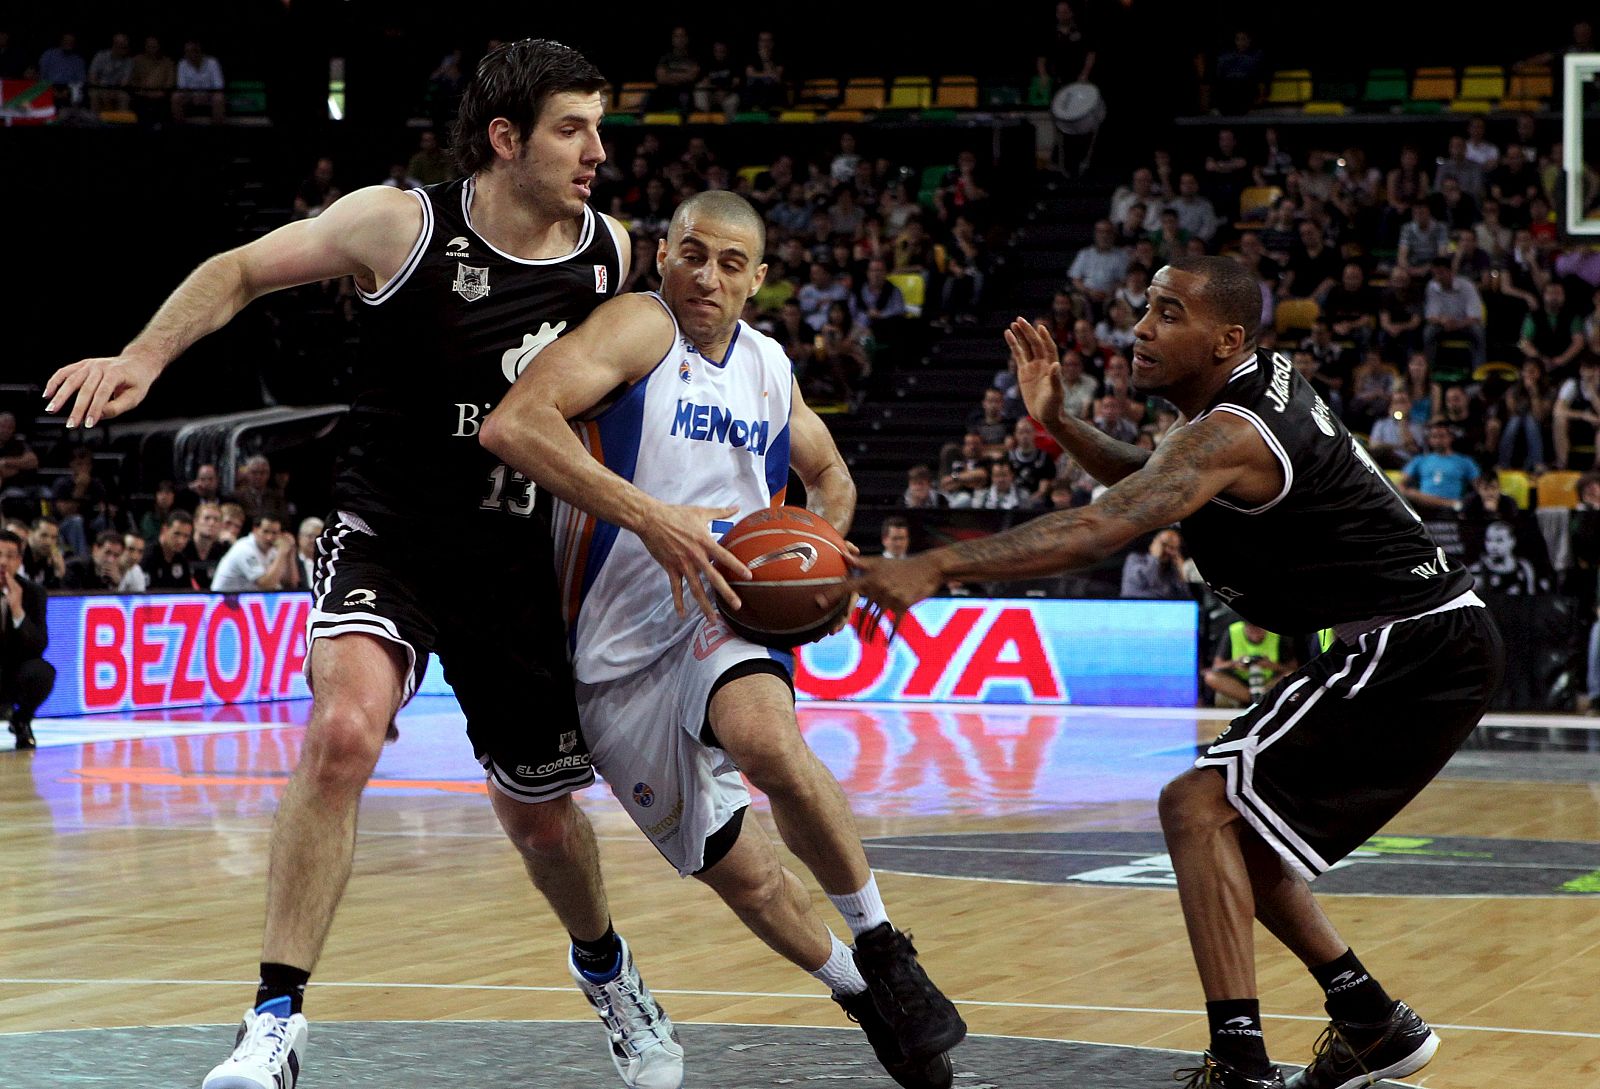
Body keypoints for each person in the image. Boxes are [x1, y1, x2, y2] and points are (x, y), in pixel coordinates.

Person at [41, 39, 684, 1089]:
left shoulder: (608, 251)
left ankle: (610, 974)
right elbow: (241, 269)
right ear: (505, 138)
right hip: (389, 527)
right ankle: (274, 1023)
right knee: (342, 732)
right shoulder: (401, 221)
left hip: (514, 555)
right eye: (573, 128)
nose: (597, 151)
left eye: (600, 127)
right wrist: (143, 357)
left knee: (537, 814)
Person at [838, 256, 1501, 1088]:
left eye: (1168, 313)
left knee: (1194, 807)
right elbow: (1156, 482)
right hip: (1415, 641)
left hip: (1410, 644)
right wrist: (1061, 423)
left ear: (1225, 338)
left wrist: (937, 568)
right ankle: (1372, 1020)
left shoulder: (1233, 430)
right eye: (1145, 307)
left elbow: (1107, 523)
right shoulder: (1231, 408)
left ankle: (1241, 1064)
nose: (1142, 328)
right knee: (1236, 833)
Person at [479, 190, 967, 1089]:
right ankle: (860, 989)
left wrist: (821, 553)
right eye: (693, 254)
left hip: (720, 610)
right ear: (664, 255)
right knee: (743, 875)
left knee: (765, 738)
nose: (707, 276)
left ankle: (885, 942)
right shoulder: (639, 328)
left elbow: (829, 472)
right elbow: (513, 422)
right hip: (611, 648)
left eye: (731, 263)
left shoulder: (771, 368)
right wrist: (655, 519)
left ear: (759, 281)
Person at [0, 530, 53, 751]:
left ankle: (21, 720)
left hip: (11, 672)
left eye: (10, 556)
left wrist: (17, 611)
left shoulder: (33, 593)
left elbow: (40, 644)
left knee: (43, 671)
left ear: (19, 561)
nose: (3, 562)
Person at [1203, 620, 1298, 707]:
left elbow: (1293, 668)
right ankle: (1256, 699)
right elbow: (1218, 665)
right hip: (1240, 683)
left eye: (1259, 630)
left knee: (1290, 675)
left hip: (1269, 683)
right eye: (1252, 630)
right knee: (1211, 677)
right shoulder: (1233, 631)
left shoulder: (1277, 632)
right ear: (1245, 626)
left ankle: (1260, 698)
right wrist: (1235, 664)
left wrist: (1271, 665)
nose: (1255, 634)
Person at [212, 514, 299, 592]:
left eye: (274, 533)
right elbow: (266, 586)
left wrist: (290, 553)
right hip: (222, 602)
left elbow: (291, 584)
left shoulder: (273, 550)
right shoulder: (243, 548)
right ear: (255, 530)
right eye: (265, 532)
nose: (269, 537)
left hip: (247, 602)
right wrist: (282, 552)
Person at [1120, 527, 1190, 599]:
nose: (1168, 551)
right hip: (1136, 607)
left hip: (1164, 608)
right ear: (1154, 543)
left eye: (1172, 548)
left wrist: (1182, 573)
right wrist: (1155, 558)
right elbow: (1149, 581)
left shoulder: (1172, 570)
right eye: (1164, 544)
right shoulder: (1134, 559)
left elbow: (1184, 597)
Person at [140, 510, 195, 590]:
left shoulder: (182, 560)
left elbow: (187, 593)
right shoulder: (147, 557)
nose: (181, 541)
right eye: (176, 534)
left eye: (186, 536)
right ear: (164, 530)